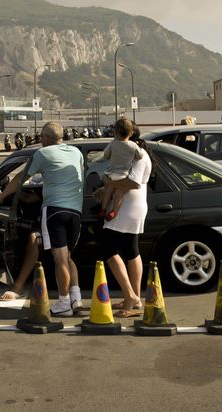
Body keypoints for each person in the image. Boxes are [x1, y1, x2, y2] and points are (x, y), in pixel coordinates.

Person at [0, 121, 84, 316]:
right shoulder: (76, 153)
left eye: (41, 136)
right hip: (76, 212)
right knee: (68, 256)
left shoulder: (42, 153)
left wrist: (0, 198)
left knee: (59, 259)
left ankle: (63, 303)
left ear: (46, 138)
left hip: (54, 211)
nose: (40, 139)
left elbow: (20, 178)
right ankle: (76, 299)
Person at [95, 124, 152, 317]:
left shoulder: (139, 155)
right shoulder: (136, 153)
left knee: (108, 249)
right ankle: (133, 298)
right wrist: (107, 188)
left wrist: (108, 183)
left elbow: (133, 182)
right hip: (133, 206)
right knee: (130, 250)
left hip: (128, 208)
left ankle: (132, 297)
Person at [97, 117, 145, 221]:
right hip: (123, 176)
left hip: (110, 174)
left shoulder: (113, 143)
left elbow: (105, 155)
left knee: (108, 191)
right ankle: (114, 211)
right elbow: (140, 156)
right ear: (131, 133)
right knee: (119, 193)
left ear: (115, 133)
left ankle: (103, 210)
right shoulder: (133, 146)